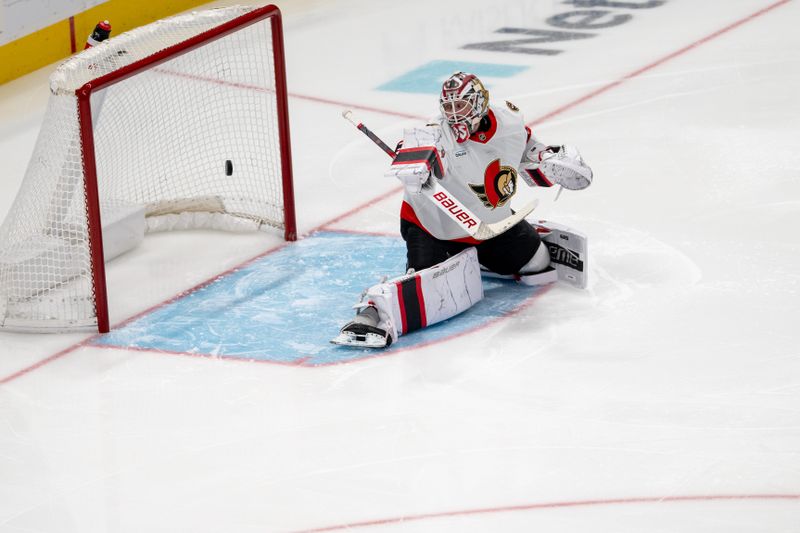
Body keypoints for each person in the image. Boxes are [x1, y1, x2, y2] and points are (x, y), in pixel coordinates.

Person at [332, 72, 593, 348]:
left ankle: (475, 259)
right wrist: (412, 163)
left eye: (462, 106)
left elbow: (527, 151)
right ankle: (372, 314)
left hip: (486, 225)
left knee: (538, 265)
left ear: (480, 103)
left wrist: (549, 159)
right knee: (426, 289)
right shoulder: (437, 131)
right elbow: (414, 145)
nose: (454, 115)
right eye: (449, 107)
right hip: (432, 226)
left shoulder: (509, 121)